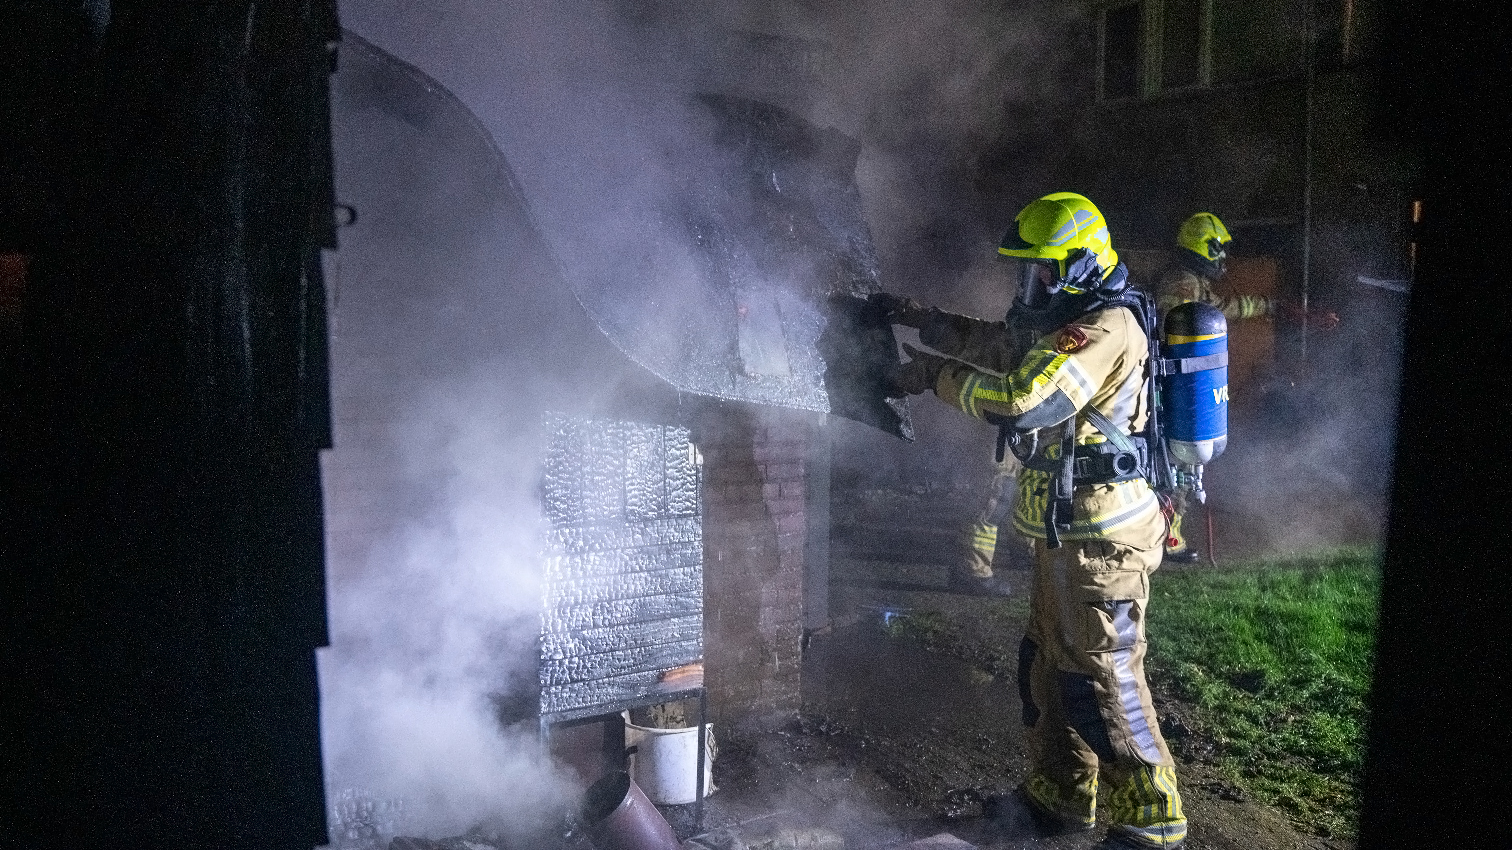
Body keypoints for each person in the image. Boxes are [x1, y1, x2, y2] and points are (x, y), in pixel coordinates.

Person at [879, 191, 1187, 849]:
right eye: (1028, 271)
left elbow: (1022, 399)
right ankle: (1060, 796)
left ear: (1080, 265)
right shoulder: (1069, 316)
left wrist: (931, 376)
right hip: (1066, 535)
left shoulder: (1104, 329)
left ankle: (1152, 817)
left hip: (1105, 542)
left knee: (1102, 676)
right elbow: (1003, 345)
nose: (1033, 283)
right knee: (1046, 666)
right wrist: (923, 321)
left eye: (1044, 270)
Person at [1154, 212, 1338, 562]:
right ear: (1200, 247)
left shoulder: (1191, 281)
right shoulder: (1181, 284)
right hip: (1174, 389)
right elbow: (1182, 330)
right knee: (1176, 464)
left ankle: (1168, 537)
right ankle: (1164, 539)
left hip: (1186, 386)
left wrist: (1274, 307)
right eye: (1217, 248)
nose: (1223, 256)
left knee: (1186, 466)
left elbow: (1223, 309)